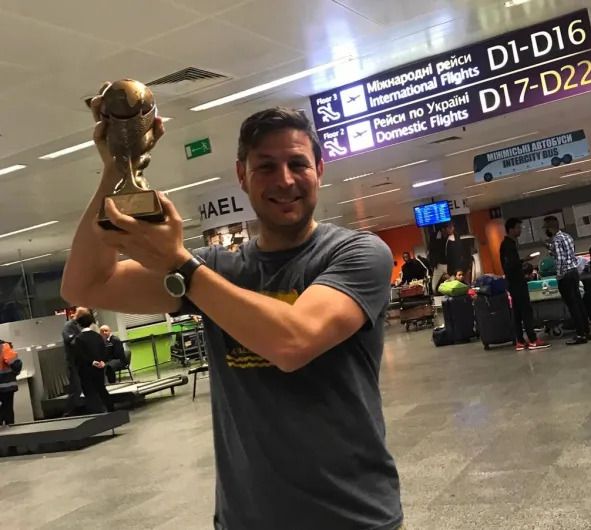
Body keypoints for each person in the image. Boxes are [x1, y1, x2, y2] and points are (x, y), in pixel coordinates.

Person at [61, 98, 402, 530]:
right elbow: (83, 286)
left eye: (298, 164)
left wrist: (181, 264)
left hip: (353, 518)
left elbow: (293, 342)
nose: (285, 180)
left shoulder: (357, 253)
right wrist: (116, 167)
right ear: (242, 175)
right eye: (265, 167)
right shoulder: (219, 269)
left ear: (320, 168)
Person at [500, 218, 550, 351]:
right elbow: (511, 264)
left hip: (512, 282)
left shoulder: (506, 244)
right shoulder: (508, 245)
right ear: (511, 229)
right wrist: (525, 260)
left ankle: (520, 341)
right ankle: (533, 340)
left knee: (517, 312)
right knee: (526, 311)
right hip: (517, 282)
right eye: (518, 228)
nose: (520, 230)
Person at [544, 216, 591, 345]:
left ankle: (580, 334)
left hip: (565, 275)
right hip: (574, 272)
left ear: (550, 227)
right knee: (579, 303)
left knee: (572, 306)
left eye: (545, 228)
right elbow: (567, 254)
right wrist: (549, 247)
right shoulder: (567, 236)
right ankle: (587, 331)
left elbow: (560, 259)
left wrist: (559, 275)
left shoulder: (557, 239)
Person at [73, 313, 113, 414]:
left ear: (79, 324)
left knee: (90, 392)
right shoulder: (97, 336)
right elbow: (103, 350)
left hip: (86, 370)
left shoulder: (79, 339)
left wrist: (92, 362)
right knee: (101, 388)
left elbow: (80, 355)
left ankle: (96, 413)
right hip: (99, 368)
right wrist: (102, 361)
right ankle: (111, 409)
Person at [61, 306, 90, 416]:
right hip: (73, 361)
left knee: (85, 385)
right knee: (76, 387)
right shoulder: (69, 326)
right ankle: (68, 413)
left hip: (82, 360)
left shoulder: (81, 326)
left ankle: (85, 408)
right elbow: (72, 342)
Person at [0, 339, 22, 425]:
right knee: (8, 406)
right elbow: (15, 364)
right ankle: (11, 428)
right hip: (6, 383)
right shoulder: (4, 346)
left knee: (6, 406)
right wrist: (16, 372)